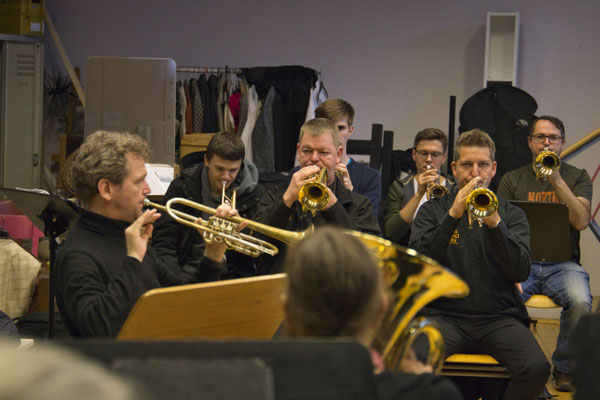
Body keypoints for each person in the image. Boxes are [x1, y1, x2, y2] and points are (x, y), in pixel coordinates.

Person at [410, 129, 550, 400]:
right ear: (453, 168)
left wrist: (496, 225)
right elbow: (420, 264)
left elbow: (519, 271)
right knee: (410, 364)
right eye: (466, 165)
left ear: (494, 168)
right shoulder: (432, 210)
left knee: (536, 368)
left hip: (498, 318)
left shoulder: (512, 214)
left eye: (483, 164)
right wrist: (452, 215)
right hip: (444, 317)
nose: (475, 173)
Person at [53, 131, 233, 337]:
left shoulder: (128, 237)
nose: (147, 189)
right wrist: (133, 260)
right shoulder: (78, 255)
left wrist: (213, 254)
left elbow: (183, 301)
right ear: (106, 189)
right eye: (139, 182)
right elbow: (100, 330)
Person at [282, 225, 462, 400]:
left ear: (286, 311)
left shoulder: (258, 387)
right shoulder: (431, 392)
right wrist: (424, 385)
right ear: (380, 312)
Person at [497, 115, 593, 392]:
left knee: (579, 301)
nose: (546, 143)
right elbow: (499, 228)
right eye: (540, 137)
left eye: (553, 138)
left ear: (563, 143)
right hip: (521, 262)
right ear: (530, 142)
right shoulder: (511, 179)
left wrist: (556, 179)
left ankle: (564, 368)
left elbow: (581, 221)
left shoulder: (577, 177)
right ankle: (521, 364)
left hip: (563, 265)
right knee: (501, 299)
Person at [254, 118, 381, 274]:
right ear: (299, 152)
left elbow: (371, 257)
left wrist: (334, 208)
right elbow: (256, 242)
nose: (314, 158)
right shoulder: (276, 195)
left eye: (323, 152)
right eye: (307, 151)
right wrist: (286, 200)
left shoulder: (359, 205)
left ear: (338, 154)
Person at [152, 131, 265, 279]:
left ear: (241, 165)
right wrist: (176, 284)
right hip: (187, 272)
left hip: (230, 277)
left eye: (233, 170)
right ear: (206, 160)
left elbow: (257, 253)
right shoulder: (182, 188)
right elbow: (163, 244)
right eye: (219, 169)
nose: (226, 177)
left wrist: (240, 233)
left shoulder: (254, 195)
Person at [384, 128, 455, 246]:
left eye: (435, 154)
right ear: (413, 155)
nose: (428, 159)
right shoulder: (399, 188)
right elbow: (391, 233)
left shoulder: (453, 187)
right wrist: (418, 195)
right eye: (423, 153)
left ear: (443, 158)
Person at [314, 99, 382, 214]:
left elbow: (369, 228)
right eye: (328, 128)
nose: (334, 134)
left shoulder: (370, 177)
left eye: (340, 128)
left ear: (350, 130)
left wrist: (350, 192)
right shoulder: (299, 172)